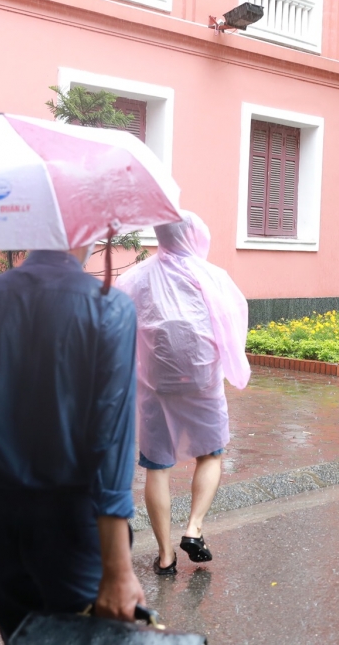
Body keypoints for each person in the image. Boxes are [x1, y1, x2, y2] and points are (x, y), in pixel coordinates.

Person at [0, 246, 144, 641]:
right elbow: (112, 440)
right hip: (73, 522)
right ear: (84, 233)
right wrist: (119, 569)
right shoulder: (109, 307)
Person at [115, 212, 250, 576]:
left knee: (156, 466)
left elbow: (117, 325)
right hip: (203, 381)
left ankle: (165, 556)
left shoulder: (135, 278)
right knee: (211, 453)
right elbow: (234, 320)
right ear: (193, 235)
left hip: (155, 385)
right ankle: (194, 527)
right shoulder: (213, 276)